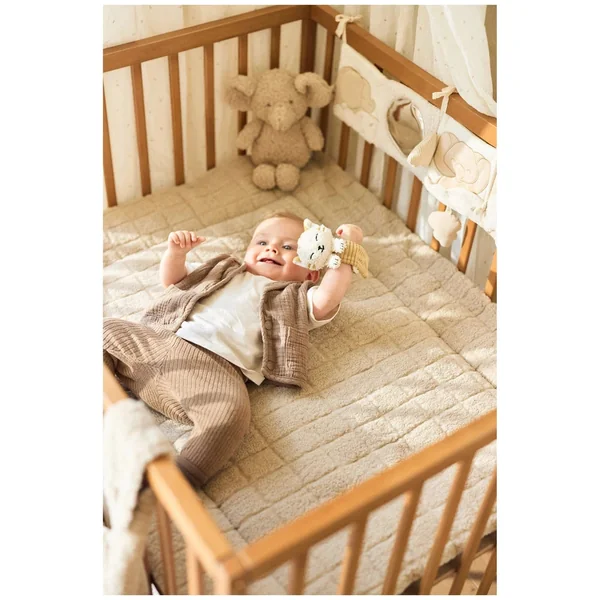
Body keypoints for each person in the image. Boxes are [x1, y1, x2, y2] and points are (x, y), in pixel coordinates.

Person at [103, 212, 365, 486]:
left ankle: (179, 482)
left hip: (214, 372)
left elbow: (328, 297)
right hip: (163, 342)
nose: (272, 249)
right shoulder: (224, 271)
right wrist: (176, 254)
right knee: (105, 330)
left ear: (310, 272)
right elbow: (175, 283)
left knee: (232, 416)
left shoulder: (295, 297)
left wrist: (348, 247)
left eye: (288, 247)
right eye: (262, 242)